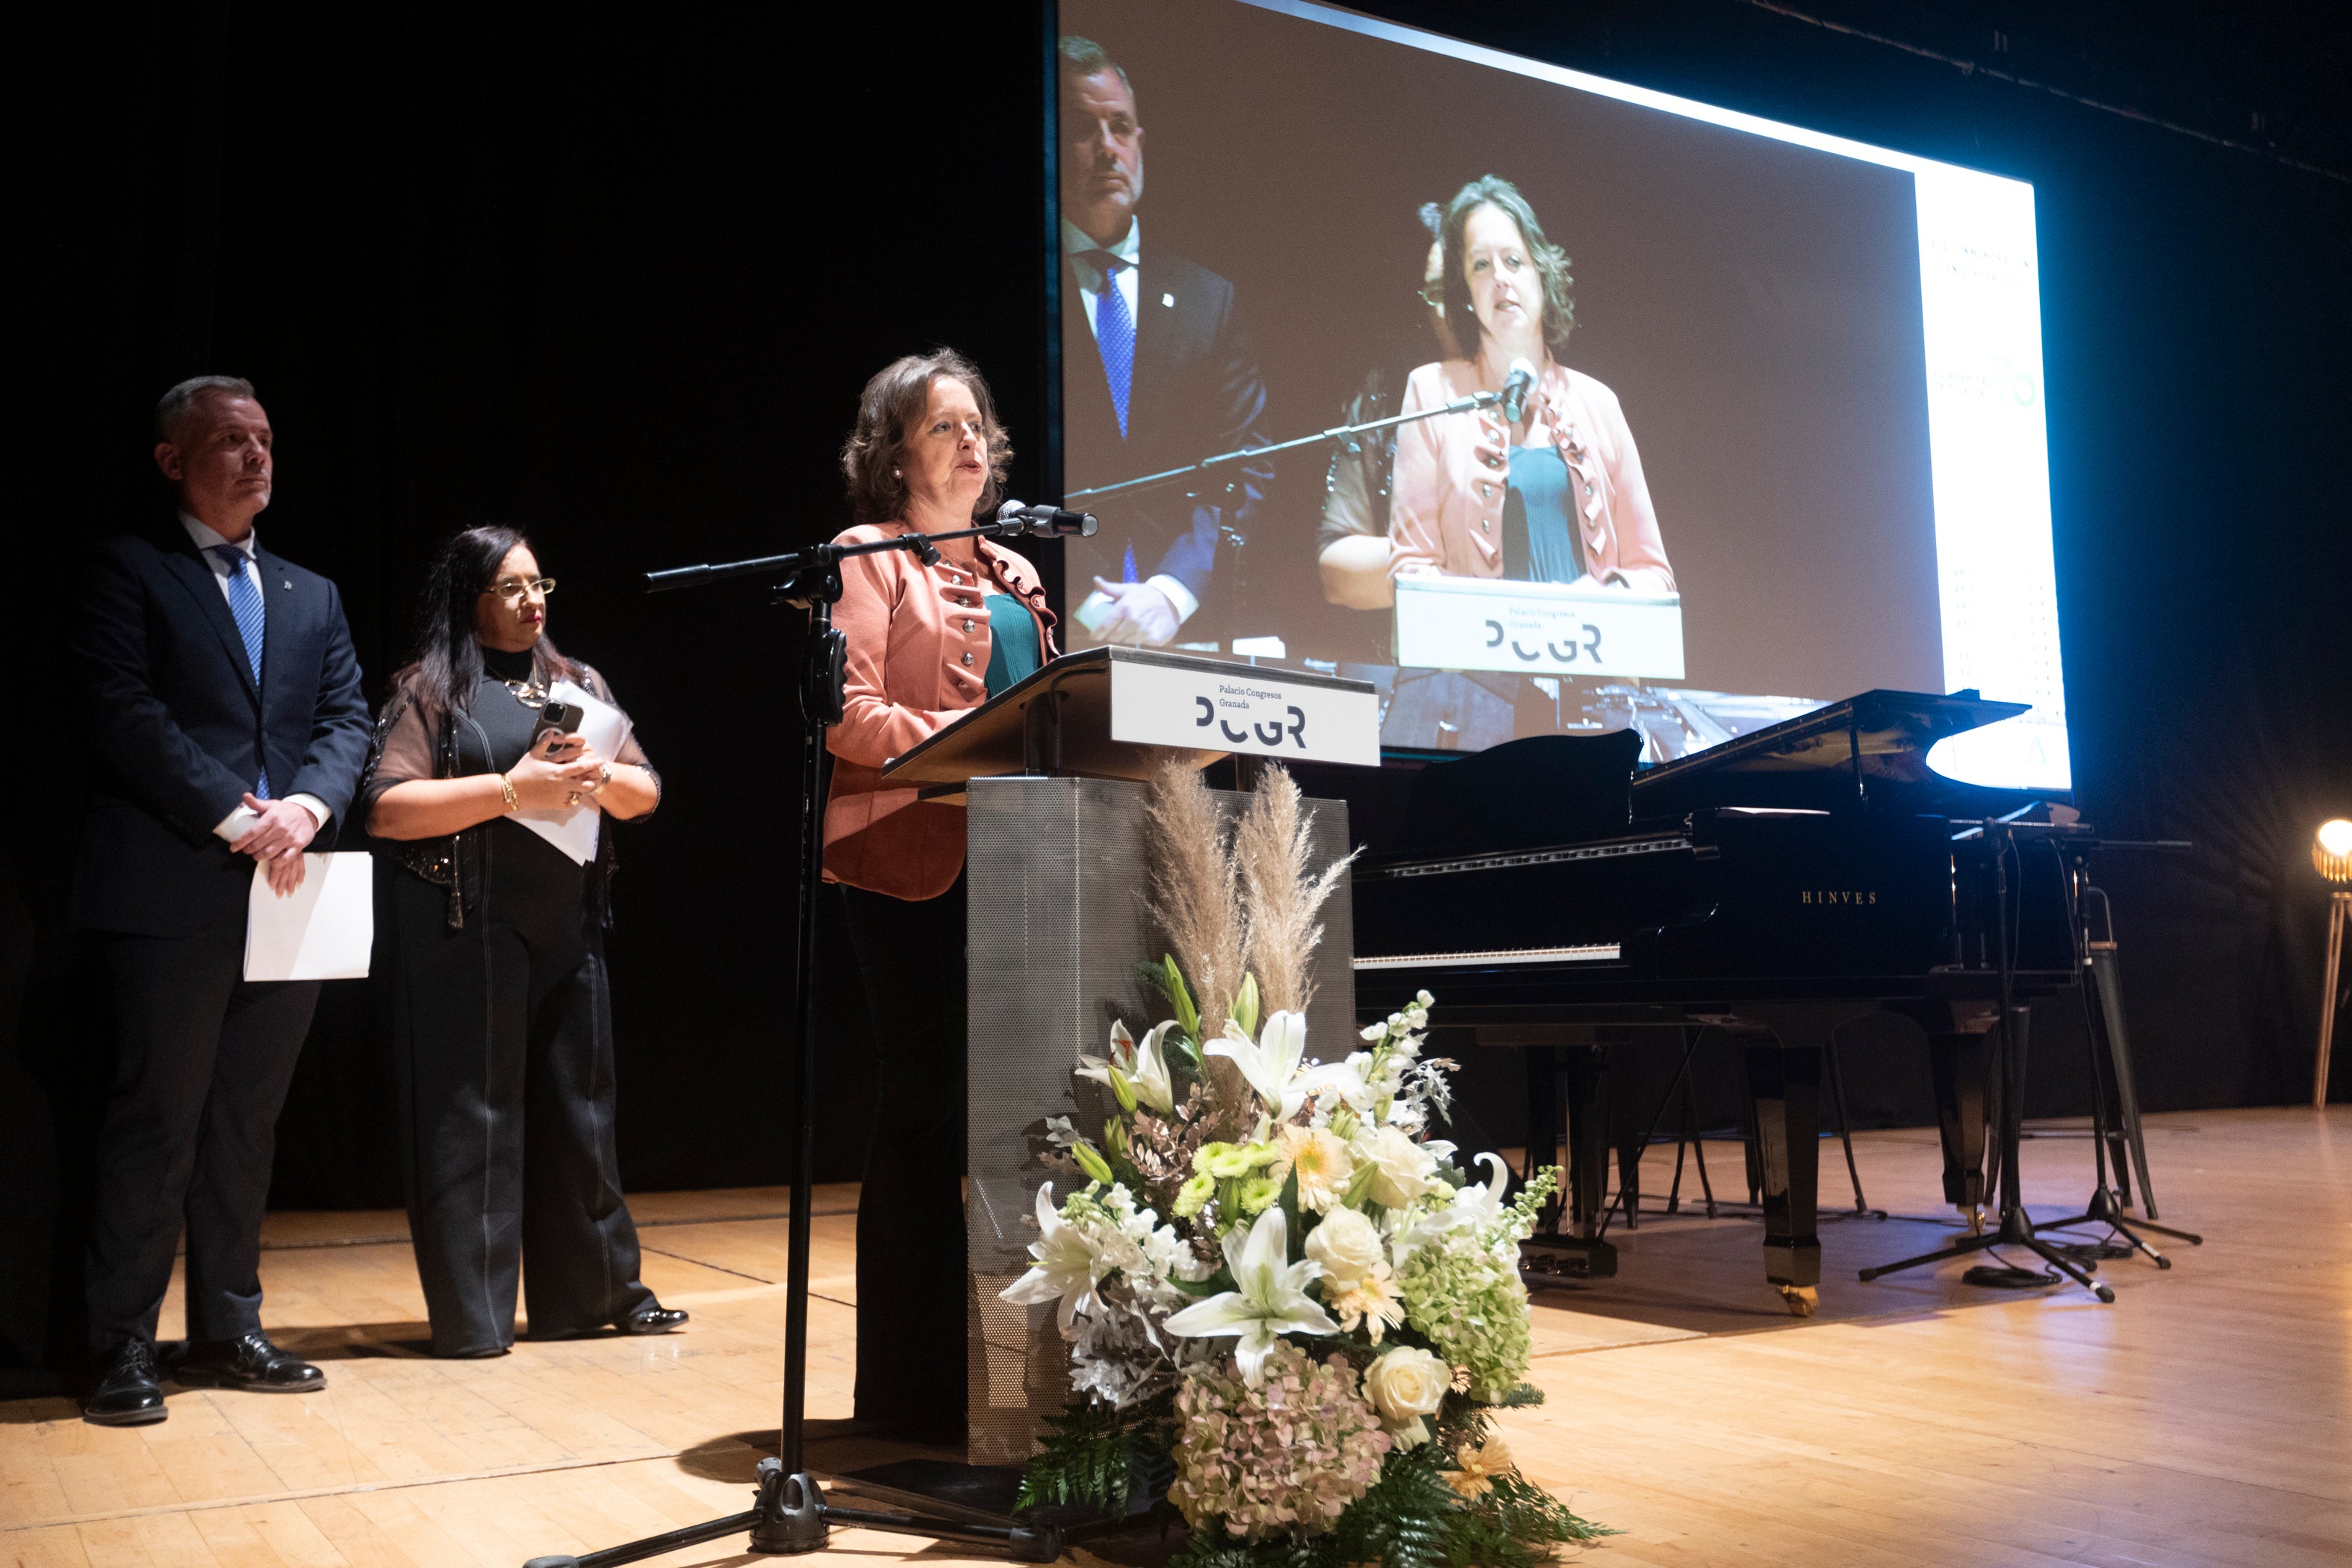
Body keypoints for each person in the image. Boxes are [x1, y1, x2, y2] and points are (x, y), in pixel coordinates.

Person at [69, 376, 371, 1425]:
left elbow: (346, 718)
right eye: (232, 441)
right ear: (171, 461)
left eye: (266, 439)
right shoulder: (129, 569)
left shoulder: (309, 592)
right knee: (159, 1119)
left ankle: (227, 1327)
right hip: (173, 886)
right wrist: (237, 818)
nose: (256, 456)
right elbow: (123, 711)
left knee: (248, 1120)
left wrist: (308, 805)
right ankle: (120, 1344)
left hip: (288, 885)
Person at [362, 527, 682, 1357]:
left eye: (539, 584)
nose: (532, 600)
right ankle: (475, 1319)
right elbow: (387, 809)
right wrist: (512, 789)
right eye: (510, 587)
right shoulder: (432, 691)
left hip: (567, 922)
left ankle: (596, 1297)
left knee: (582, 1108)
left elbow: (646, 792)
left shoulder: (577, 683)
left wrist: (597, 776)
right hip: (466, 922)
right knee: (476, 1116)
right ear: (468, 600)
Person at [825, 349, 1056, 1443]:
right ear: (894, 456)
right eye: (941, 428)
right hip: (908, 861)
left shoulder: (1018, 571)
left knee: (1018, 1123)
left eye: (976, 425)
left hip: (1025, 871)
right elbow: (848, 716)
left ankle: (1011, 1388)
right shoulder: (863, 557)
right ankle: (907, 1394)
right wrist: (976, 744)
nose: (970, 442)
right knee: (924, 1109)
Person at [1059, 34, 1269, 647]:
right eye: (1083, 128)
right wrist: (1080, 604)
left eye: (1120, 127)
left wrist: (1171, 593)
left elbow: (1244, 464)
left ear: (1141, 143)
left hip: (1181, 626)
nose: (1107, 148)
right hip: (1049, 622)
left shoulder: (1209, 300)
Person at [1389, 175, 1675, 596]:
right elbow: (1411, 570)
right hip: (1475, 640)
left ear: (1542, 274)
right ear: (1466, 292)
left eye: (1513, 260)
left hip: (1590, 636)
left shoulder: (1600, 403)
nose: (1500, 278)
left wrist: (1605, 596)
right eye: (1480, 265)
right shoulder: (1430, 392)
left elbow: (1654, 575)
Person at [1317, 201, 1462, 614]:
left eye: (1464, 288)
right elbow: (1337, 570)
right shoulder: (1387, 397)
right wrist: (1459, 566)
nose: (1452, 309)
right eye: (1438, 292)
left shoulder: (1556, 398)